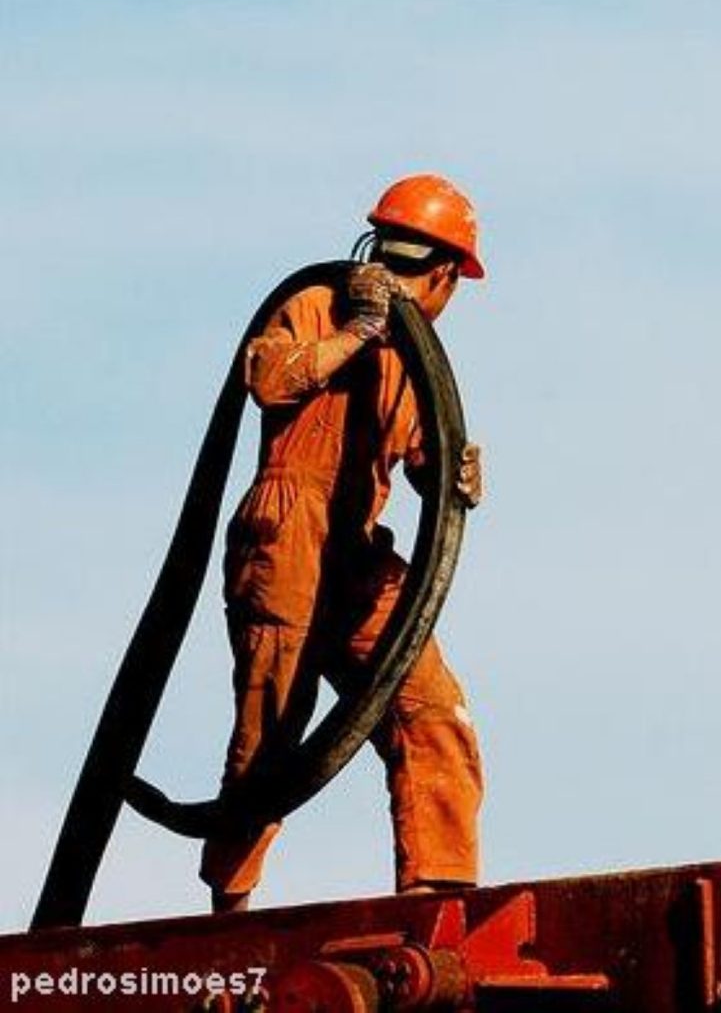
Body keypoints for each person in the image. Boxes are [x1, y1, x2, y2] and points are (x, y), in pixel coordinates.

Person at [199, 174, 486, 913]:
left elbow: (424, 462)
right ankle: (231, 909)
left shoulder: (416, 360)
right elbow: (267, 379)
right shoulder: (316, 305)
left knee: (430, 708)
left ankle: (436, 898)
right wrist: (355, 332)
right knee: (272, 732)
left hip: (357, 553)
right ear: (448, 274)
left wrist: (457, 473)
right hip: (287, 531)